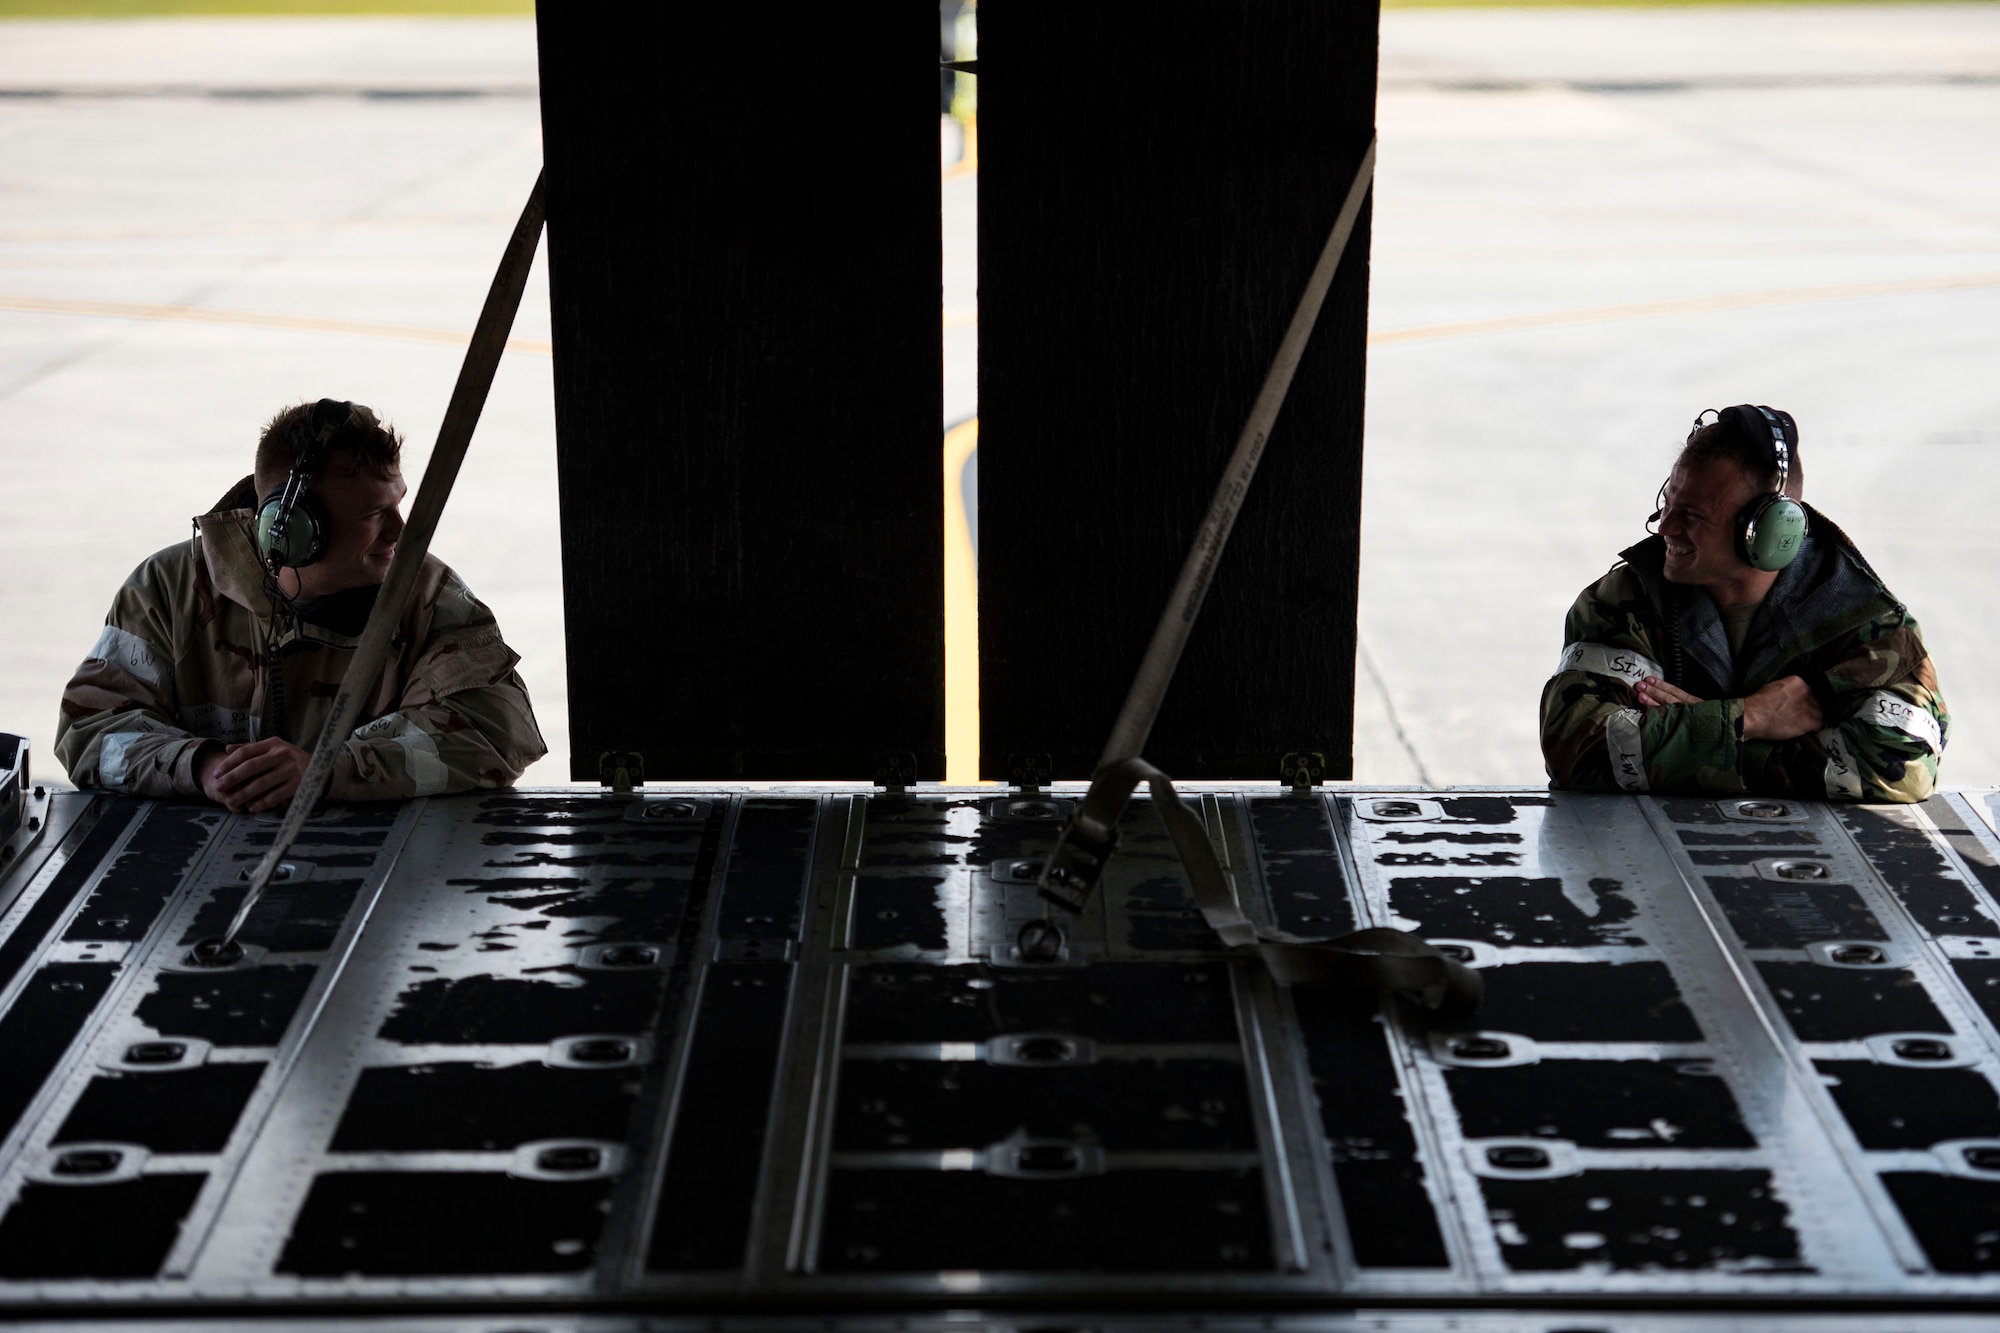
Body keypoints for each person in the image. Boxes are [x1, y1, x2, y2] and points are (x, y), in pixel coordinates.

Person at [55, 399, 546, 812]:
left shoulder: (428, 595)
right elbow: (87, 728)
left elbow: (497, 733)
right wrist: (203, 767)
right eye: (375, 515)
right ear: (291, 531)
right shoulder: (167, 591)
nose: (402, 531)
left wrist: (332, 771)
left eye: (397, 503)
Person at [1541, 404, 1946, 802]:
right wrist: (1751, 717)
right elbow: (1578, 748)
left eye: (1693, 516)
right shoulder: (1623, 600)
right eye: (1668, 502)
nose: (1665, 527)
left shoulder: (1864, 621)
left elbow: (1900, 766)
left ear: (1769, 534)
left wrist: (1702, 732)